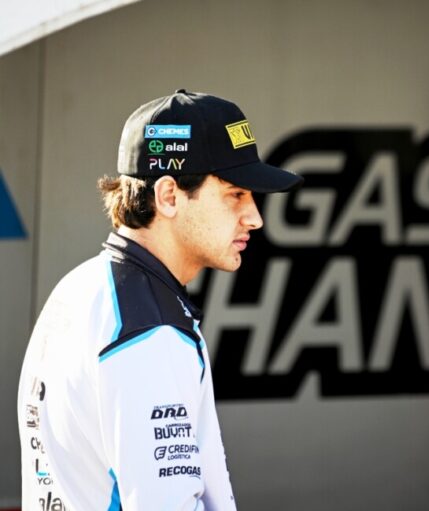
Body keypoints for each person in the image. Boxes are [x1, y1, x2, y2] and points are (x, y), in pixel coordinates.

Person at [17, 89, 303, 510]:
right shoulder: (151, 331)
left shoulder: (78, 289)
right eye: (236, 194)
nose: (255, 217)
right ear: (169, 196)